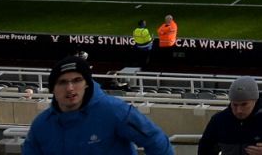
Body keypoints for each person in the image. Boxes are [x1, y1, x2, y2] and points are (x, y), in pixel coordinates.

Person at [24, 54, 173, 155]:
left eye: (77, 80)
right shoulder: (41, 125)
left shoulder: (114, 111)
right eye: (62, 82)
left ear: (87, 84)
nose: (70, 88)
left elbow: (155, 140)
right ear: (53, 89)